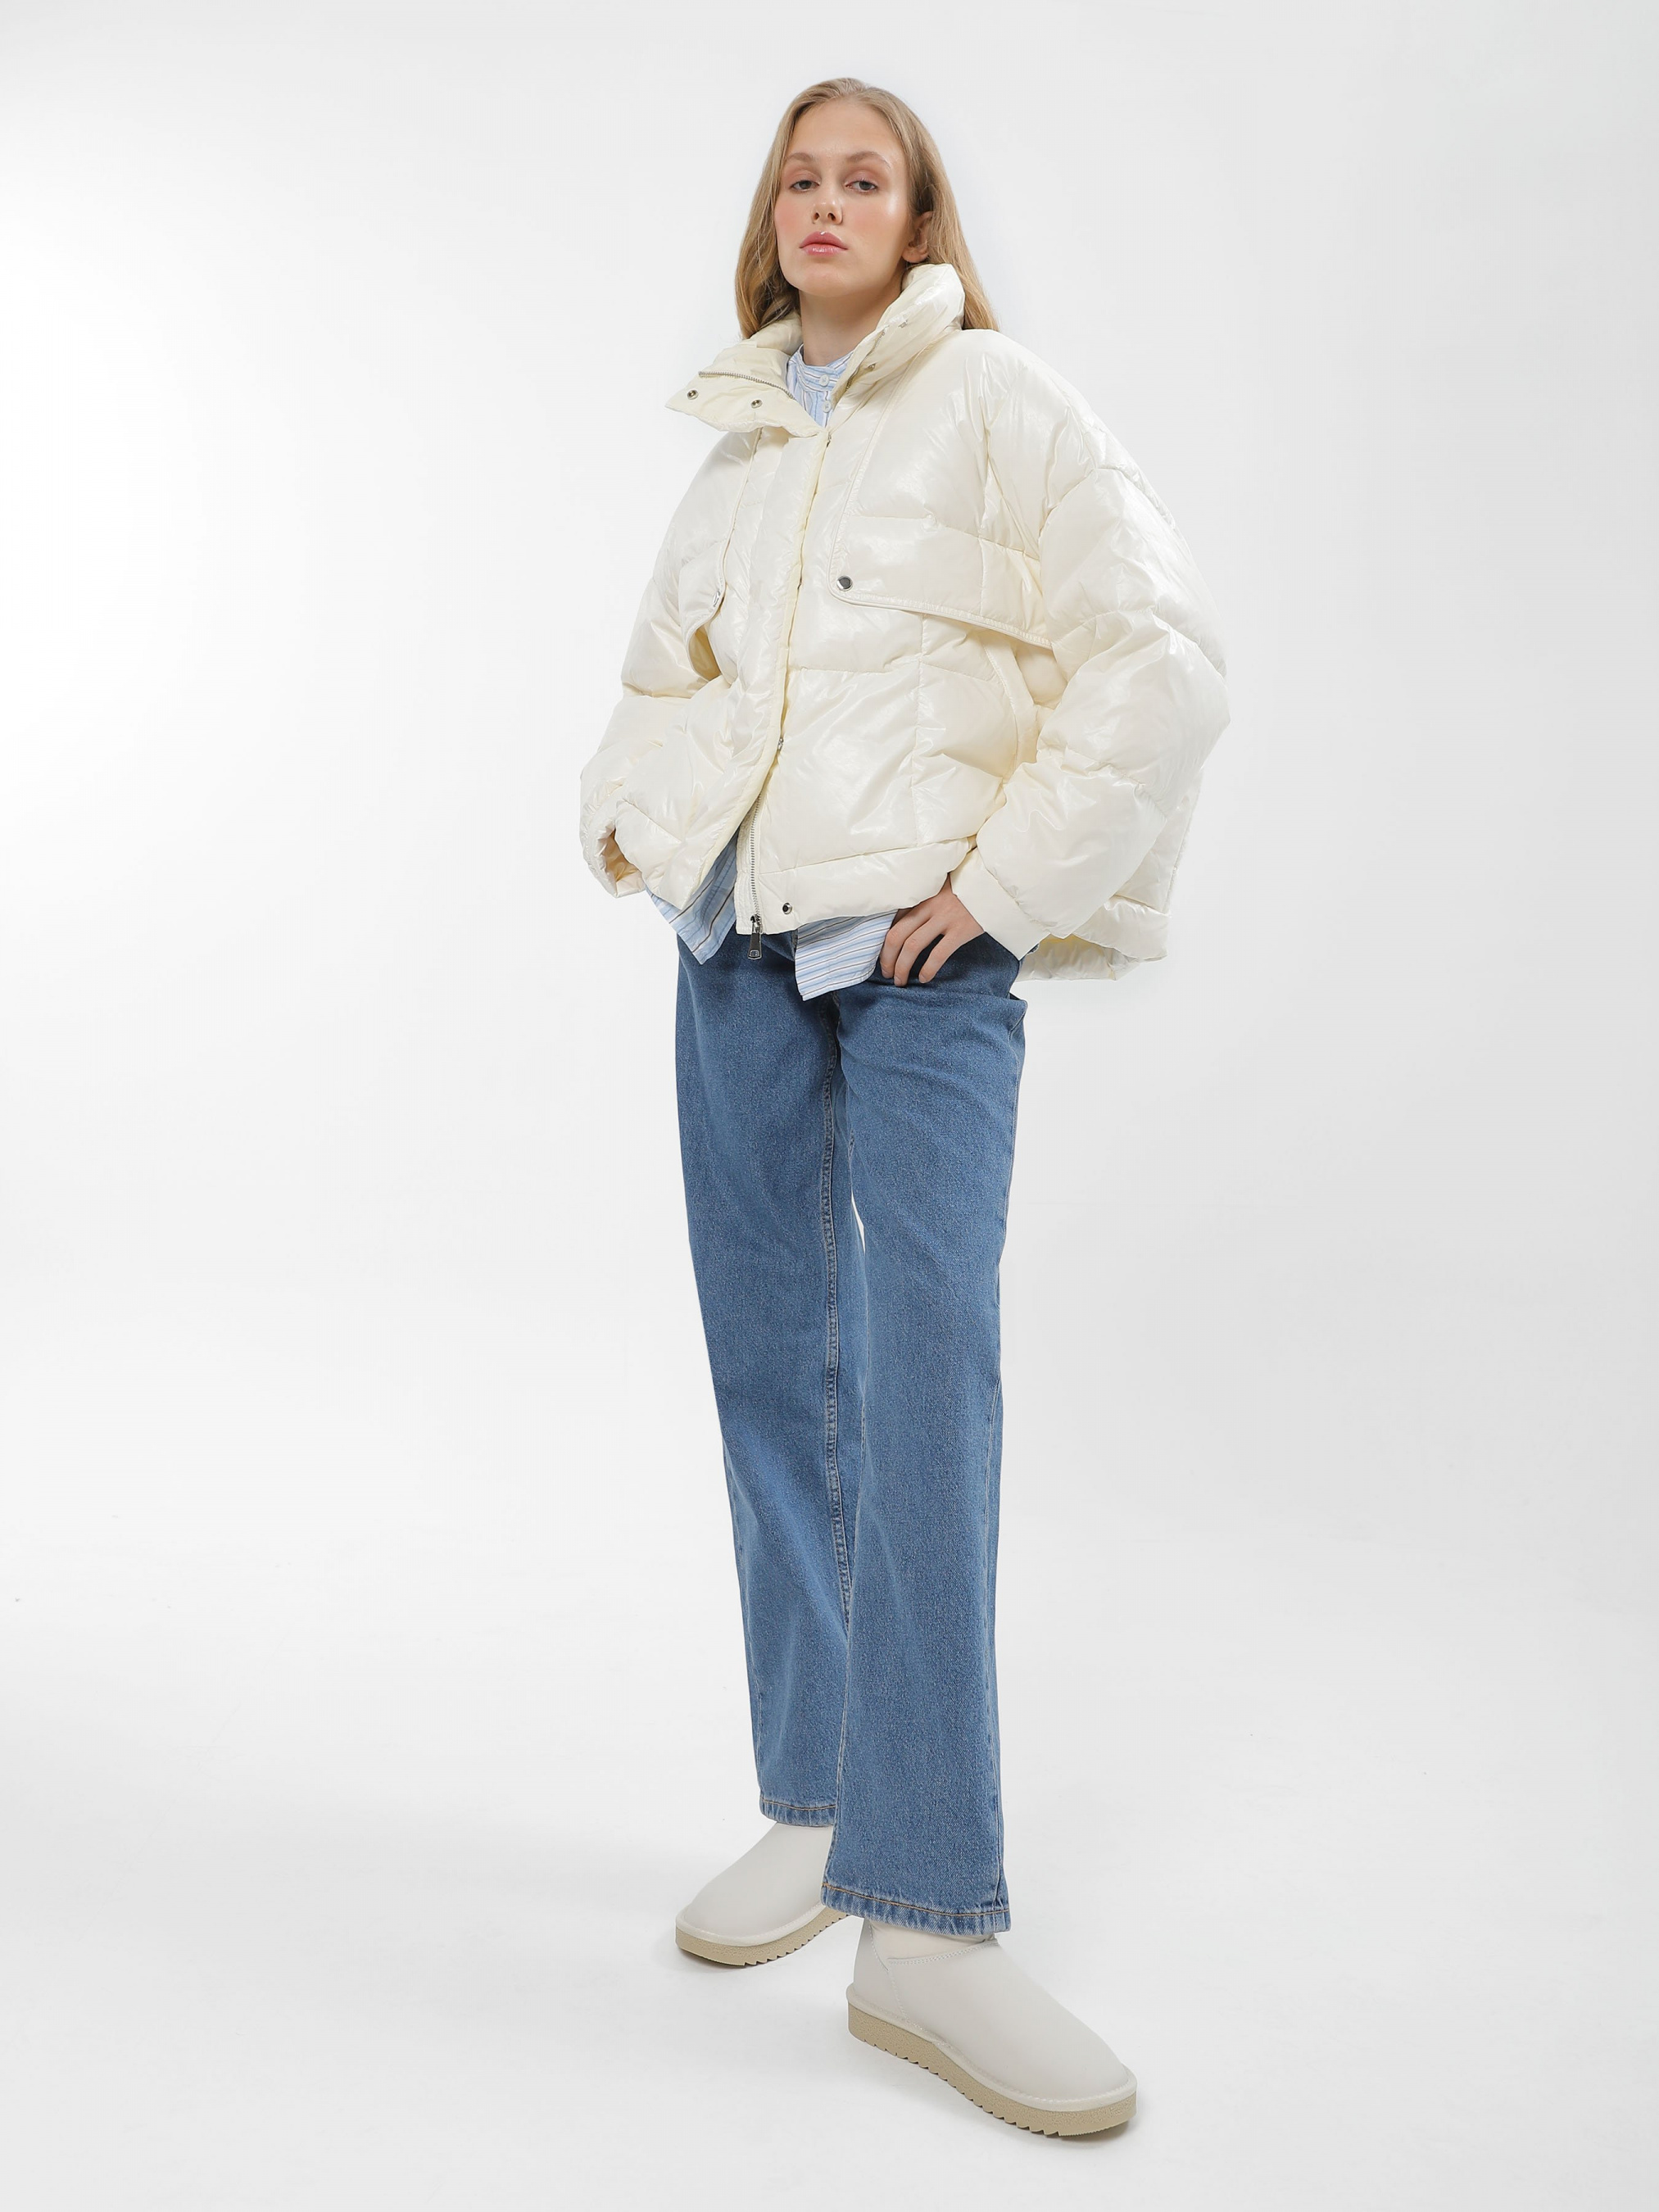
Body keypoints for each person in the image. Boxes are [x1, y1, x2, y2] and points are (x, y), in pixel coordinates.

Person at [578, 75, 1228, 2137]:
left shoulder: (1002, 403)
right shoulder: (741, 442)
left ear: (920, 218)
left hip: (922, 964)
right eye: (800, 174)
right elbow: (666, 682)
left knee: (922, 1388)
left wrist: (1005, 888)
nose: (826, 199)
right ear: (769, 217)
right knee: (772, 1375)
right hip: (734, 955)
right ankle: (822, 1795)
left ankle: (928, 1926)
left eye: (865, 175)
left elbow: (1163, 661)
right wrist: (633, 825)